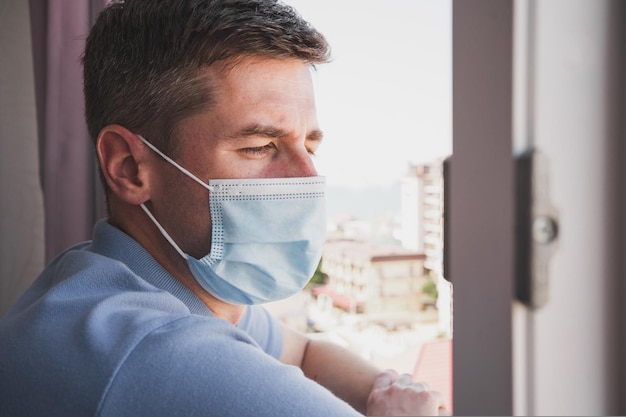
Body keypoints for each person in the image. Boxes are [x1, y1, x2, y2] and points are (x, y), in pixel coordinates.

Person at [0, 1, 449, 416]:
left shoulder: (125, 280)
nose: (308, 178)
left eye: (309, 145)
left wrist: (389, 396)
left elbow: (303, 353)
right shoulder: (161, 354)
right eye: (259, 147)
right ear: (130, 167)